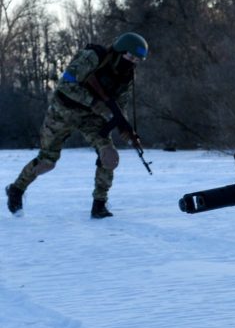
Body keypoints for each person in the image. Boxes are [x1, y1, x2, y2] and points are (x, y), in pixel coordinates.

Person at [6, 32, 149, 219]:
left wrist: (124, 126)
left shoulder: (126, 77)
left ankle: (99, 204)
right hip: (63, 111)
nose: (132, 62)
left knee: (109, 156)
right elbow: (65, 85)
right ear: (119, 51)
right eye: (130, 56)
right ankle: (16, 189)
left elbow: (120, 106)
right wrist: (94, 103)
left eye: (137, 60)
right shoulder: (94, 57)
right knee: (47, 162)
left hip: (91, 118)